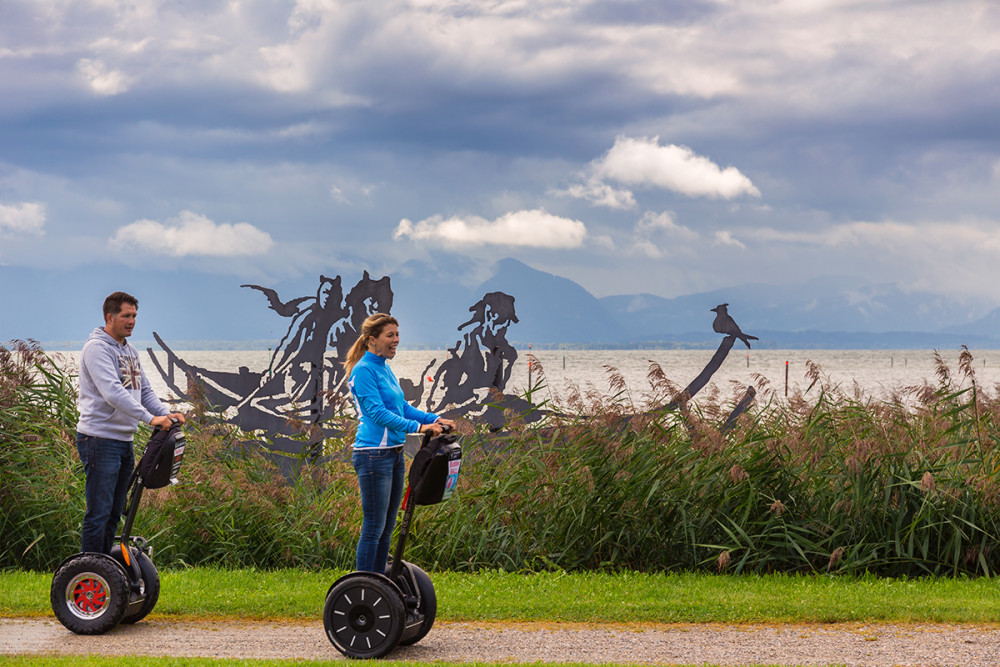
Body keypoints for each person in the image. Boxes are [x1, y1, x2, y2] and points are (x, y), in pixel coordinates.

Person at [76, 291, 185, 554]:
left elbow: (144, 391)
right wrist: (150, 419)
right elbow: (112, 392)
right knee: (99, 512)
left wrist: (165, 414)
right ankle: (90, 568)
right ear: (109, 317)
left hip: (124, 441)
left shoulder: (130, 351)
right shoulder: (97, 349)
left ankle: (105, 567)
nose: (132, 321)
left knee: (115, 511)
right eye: (126, 316)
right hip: (99, 439)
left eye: (134, 315)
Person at [344, 313, 454, 572]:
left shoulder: (383, 367)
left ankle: (379, 581)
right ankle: (365, 583)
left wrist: (434, 419)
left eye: (397, 334)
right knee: (373, 526)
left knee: (387, 527)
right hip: (373, 455)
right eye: (390, 335)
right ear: (372, 340)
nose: (396, 340)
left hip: (393, 454)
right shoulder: (364, 370)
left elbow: (401, 407)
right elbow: (378, 413)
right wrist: (419, 428)